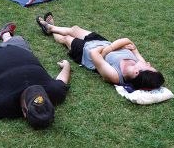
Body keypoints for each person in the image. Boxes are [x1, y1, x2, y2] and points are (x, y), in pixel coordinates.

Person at [35, 13, 164, 90]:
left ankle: (50, 29)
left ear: (137, 72)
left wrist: (114, 47)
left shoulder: (115, 76)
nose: (148, 62)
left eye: (149, 67)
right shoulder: (138, 63)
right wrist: (109, 49)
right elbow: (128, 41)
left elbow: (94, 54)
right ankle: (51, 27)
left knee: (66, 38)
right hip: (103, 43)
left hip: (85, 52)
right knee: (74, 29)